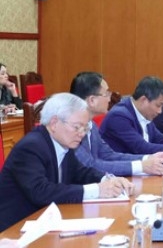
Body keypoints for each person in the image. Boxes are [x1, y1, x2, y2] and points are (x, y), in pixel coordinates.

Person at [0, 93, 133, 232]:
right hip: (14, 229)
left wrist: (109, 179)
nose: (81, 133)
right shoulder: (31, 146)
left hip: (44, 222)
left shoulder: (63, 142)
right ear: (54, 123)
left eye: (85, 128)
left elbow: (81, 172)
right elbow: (41, 192)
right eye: (77, 127)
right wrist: (97, 190)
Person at [70, 71, 163, 176]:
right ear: (92, 100)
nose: (109, 99)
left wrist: (148, 159)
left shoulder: (91, 125)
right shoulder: (72, 127)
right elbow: (89, 165)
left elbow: (108, 155)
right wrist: (142, 166)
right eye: (106, 94)